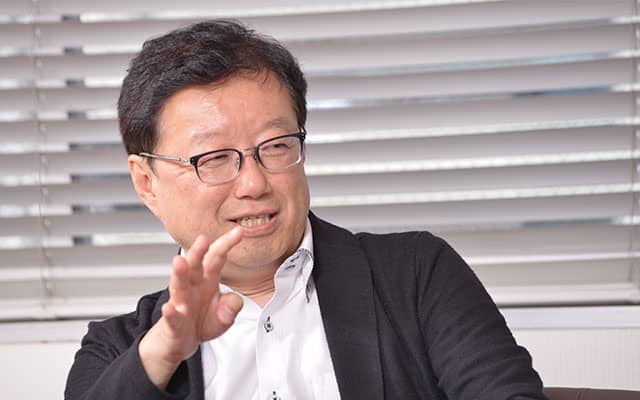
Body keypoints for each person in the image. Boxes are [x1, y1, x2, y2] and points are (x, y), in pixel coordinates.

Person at [65, 20, 548, 400]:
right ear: (146, 183)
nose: (254, 184)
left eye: (275, 146)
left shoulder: (416, 276)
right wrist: (163, 352)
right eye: (213, 158)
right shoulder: (116, 350)